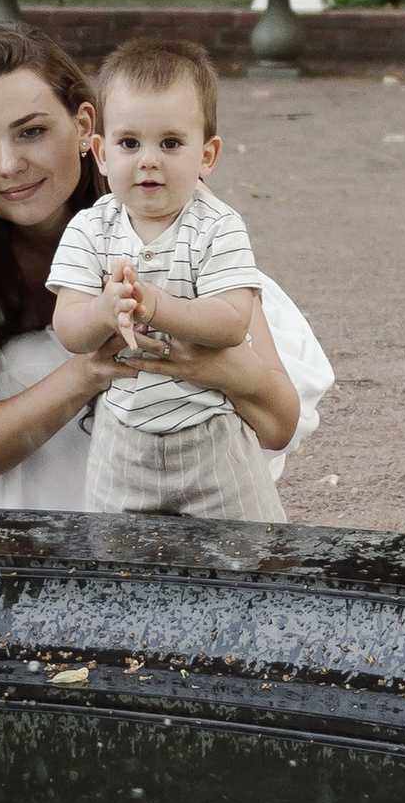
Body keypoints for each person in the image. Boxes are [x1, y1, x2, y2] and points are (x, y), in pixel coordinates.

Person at [0, 22, 330, 512]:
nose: (9, 165)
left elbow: (278, 421)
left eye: (32, 132)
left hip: (187, 502)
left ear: (86, 128)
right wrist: (89, 371)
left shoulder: (179, 219)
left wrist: (214, 366)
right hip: (26, 525)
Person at [47, 40, 283, 520]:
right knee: (116, 565)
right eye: (130, 143)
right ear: (101, 153)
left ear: (207, 155)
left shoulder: (218, 225)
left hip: (212, 436)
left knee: (248, 559)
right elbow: (69, 328)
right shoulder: (90, 229)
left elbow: (232, 322)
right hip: (122, 439)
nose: (149, 160)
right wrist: (101, 309)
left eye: (171, 143)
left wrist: (156, 306)